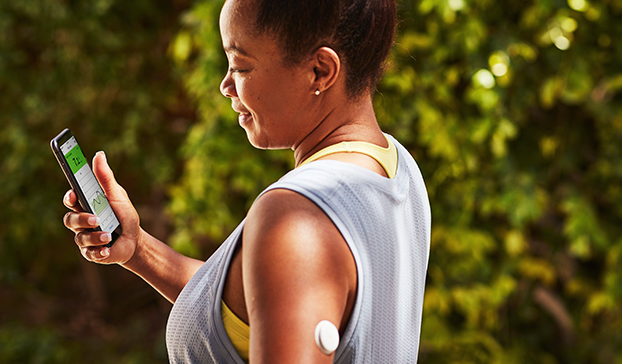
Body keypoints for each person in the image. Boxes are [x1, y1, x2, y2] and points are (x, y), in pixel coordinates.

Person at [62, 0, 431, 362]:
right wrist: (140, 249)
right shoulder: (395, 167)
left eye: (240, 65)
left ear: (320, 70)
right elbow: (250, 309)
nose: (226, 85)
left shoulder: (297, 217)